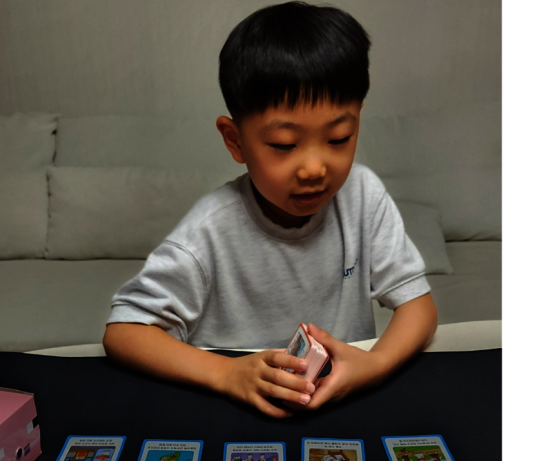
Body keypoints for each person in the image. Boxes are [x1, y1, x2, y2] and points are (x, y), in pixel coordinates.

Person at [103, 1, 437, 419]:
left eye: (338, 138)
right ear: (235, 141)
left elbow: (418, 307)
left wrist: (376, 363)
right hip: (236, 416)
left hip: (342, 408)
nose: (314, 168)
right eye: (284, 145)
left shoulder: (363, 195)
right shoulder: (209, 231)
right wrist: (226, 373)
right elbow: (124, 333)